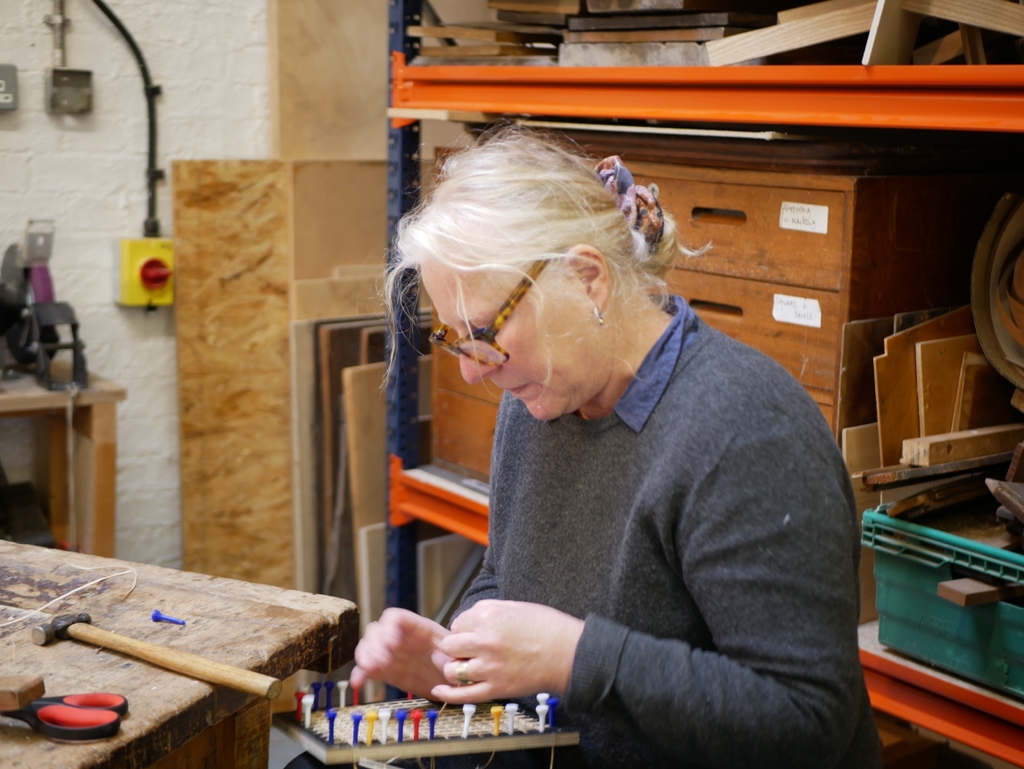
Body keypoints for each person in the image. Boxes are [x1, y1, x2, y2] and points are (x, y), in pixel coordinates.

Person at [289, 127, 882, 768]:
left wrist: (574, 657)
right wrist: (459, 656)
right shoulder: (542, 396)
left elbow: (806, 720)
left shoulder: (746, 432)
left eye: (484, 330)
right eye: (453, 336)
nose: (471, 369)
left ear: (586, 278)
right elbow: (509, 573)